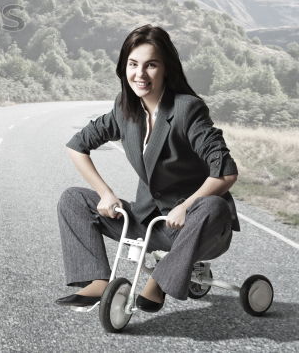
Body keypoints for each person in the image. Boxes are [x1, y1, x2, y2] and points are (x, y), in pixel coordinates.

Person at [55, 24, 239, 312]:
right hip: (148, 223)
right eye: (133, 64)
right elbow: (76, 146)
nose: (140, 74)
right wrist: (105, 193)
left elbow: (226, 171)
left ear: (166, 68)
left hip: (197, 226)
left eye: (151, 65)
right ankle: (96, 280)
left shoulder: (187, 109)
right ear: (124, 68)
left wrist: (187, 206)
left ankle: (161, 280)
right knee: (73, 199)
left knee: (213, 206)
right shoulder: (124, 109)